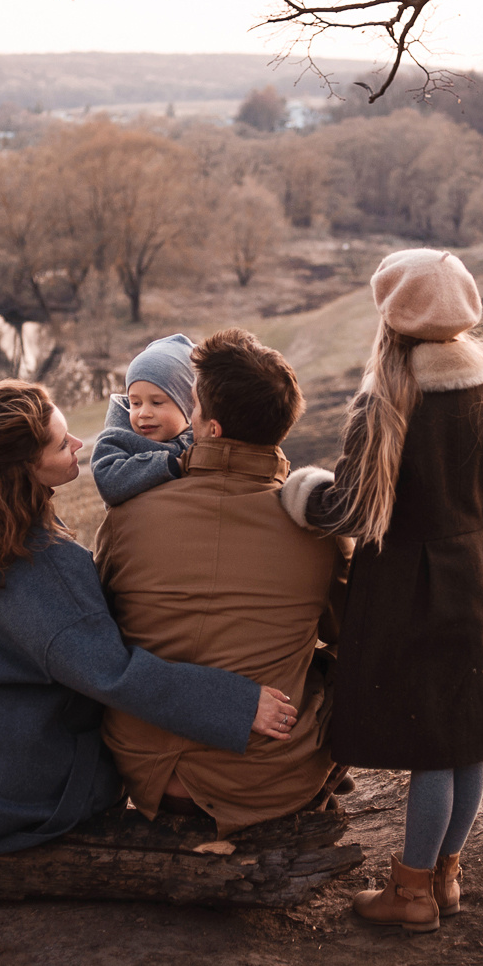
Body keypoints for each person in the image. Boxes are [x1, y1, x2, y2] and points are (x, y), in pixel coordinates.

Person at [0, 380, 300, 854]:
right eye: (63, 444)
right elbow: (113, 675)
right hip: (15, 797)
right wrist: (238, 704)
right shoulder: (45, 563)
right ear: (27, 467)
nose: (79, 445)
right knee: (132, 736)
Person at [286, 249, 483, 932]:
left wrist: (300, 494)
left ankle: (413, 891)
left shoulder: (387, 399)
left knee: (429, 740)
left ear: (391, 314)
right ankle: (447, 876)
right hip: (476, 578)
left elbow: (350, 510)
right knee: (464, 737)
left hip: (405, 588)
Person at [93, 329, 348, 836]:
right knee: (340, 658)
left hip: (138, 769)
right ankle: (314, 787)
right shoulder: (318, 530)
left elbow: (99, 627)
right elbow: (350, 633)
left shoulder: (128, 513)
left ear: (207, 427)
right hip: (266, 781)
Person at [89, 333, 196, 507]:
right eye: (135, 403)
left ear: (188, 405)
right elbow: (109, 482)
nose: (143, 413)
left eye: (157, 402)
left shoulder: (200, 435)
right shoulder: (117, 439)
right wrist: (168, 465)